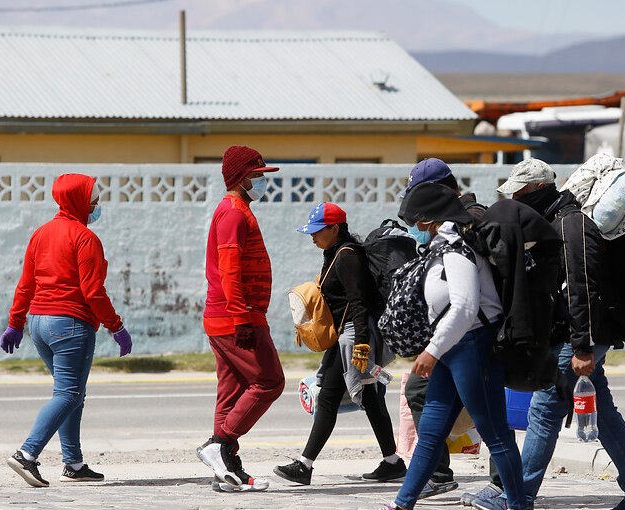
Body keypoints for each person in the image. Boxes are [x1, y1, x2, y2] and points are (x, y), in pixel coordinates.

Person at [474, 159, 625, 510]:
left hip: (582, 335)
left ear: (536, 189)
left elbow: (584, 289)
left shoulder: (570, 224)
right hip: (575, 334)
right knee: (603, 415)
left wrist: (583, 347)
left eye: (518, 191)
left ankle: (518, 496)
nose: (514, 198)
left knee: (544, 411)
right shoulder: (553, 220)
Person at [381, 183, 532, 510]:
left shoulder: (457, 250)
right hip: (454, 350)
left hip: (472, 347)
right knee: (431, 435)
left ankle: (520, 504)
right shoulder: (442, 247)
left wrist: (432, 350)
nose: (414, 226)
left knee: (495, 434)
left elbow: (464, 307)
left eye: (416, 219)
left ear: (428, 219)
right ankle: (402, 503)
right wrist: (439, 349)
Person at [0, 173, 133, 488]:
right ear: (79, 202)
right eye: (94, 202)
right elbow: (93, 292)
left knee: (73, 394)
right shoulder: (85, 239)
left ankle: (73, 463)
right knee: (69, 393)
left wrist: (15, 323)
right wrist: (117, 327)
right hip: (70, 324)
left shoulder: (41, 233)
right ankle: (27, 454)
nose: (97, 208)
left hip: (40, 325)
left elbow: (26, 284)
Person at [274, 202, 405, 486]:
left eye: (318, 231)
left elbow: (358, 303)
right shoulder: (333, 253)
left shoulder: (347, 257)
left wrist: (361, 344)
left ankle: (305, 465)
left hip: (353, 335)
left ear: (335, 228)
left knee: (332, 398)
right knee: (365, 398)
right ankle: (392, 461)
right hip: (344, 336)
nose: (312, 236)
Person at [399, 158, 491, 499]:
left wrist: (433, 349)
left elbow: (467, 302)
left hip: (474, 339)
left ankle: (507, 490)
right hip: (456, 340)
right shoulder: (451, 224)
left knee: (490, 421)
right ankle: (412, 494)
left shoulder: (466, 222)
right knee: (430, 404)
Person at [197, 145, 286, 493]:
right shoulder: (234, 212)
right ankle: (217, 445)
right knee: (270, 382)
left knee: (231, 394)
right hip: (237, 316)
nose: (263, 181)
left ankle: (228, 470)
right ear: (243, 178)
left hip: (227, 316)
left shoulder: (234, 210)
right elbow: (230, 270)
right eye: (259, 176)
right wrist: (242, 319)